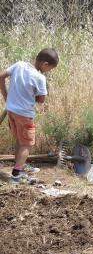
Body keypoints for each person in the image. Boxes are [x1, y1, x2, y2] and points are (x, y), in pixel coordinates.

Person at [0, 48, 59, 183]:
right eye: (50, 68)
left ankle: (21, 164)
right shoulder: (39, 77)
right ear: (45, 64)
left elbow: (1, 76)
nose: (49, 71)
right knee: (26, 144)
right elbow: (41, 100)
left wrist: (6, 96)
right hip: (24, 114)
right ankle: (16, 175)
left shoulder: (19, 65)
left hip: (11, 111)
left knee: (20, 141)